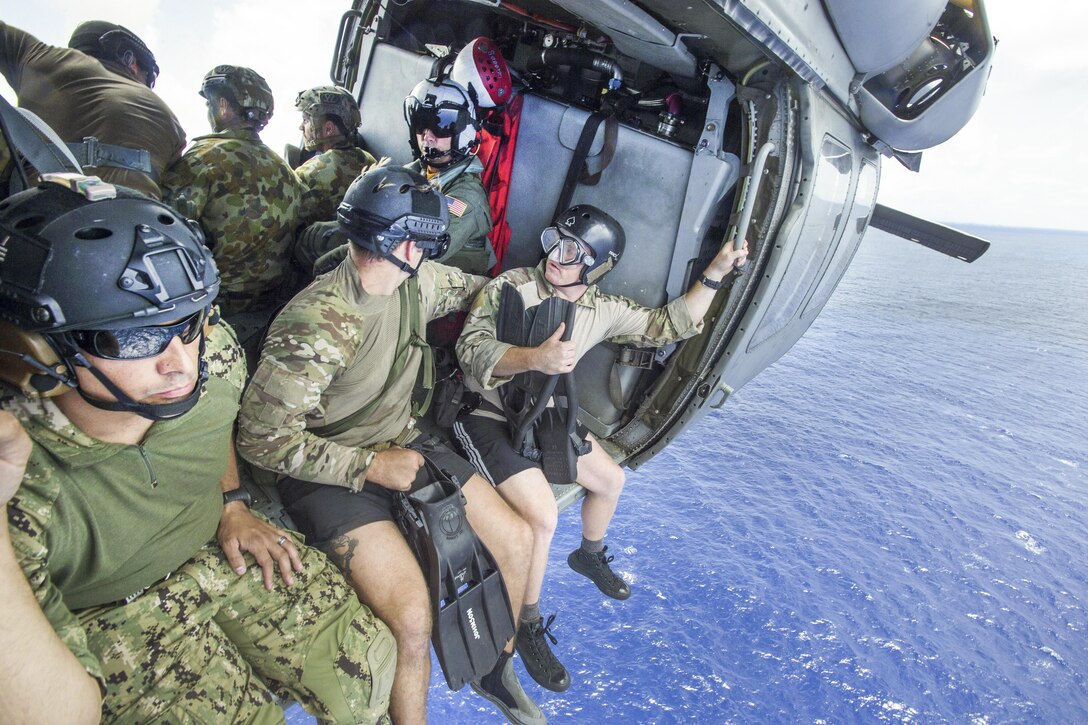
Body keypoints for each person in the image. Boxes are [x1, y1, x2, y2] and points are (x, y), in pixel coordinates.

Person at [0, 178, 395, 723]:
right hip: (103, 615)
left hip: (214, 546)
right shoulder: (17, 478)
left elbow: (217, 418)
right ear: (39, 351)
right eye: (133, 339)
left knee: (369, 670)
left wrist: (232, 502)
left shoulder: (215, 357)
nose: (179, 364)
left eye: (187, 324)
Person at [237, 166, 542, 725]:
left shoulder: (413, 285)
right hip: (328, 468)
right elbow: (262, 441)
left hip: (402, 438)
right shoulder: (318, 325)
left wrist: (545, 291)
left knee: (518, 541)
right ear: (405, 244)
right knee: (411, 619)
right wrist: (370, 467)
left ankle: (496, 671)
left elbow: (481, 290)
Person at [455, 204, 750, 692]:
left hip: (544, 415)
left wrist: (715, 275)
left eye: (571, 250)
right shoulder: (510, 288)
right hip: (487, 414)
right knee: (543, 518)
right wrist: (535, 358)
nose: (555, 255)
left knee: (611, 481)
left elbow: (667, 324)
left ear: (598, 265)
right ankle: (526, 624)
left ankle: (588, 555)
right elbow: (471, 352)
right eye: (554, 241)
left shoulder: (599, 309)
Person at [161, 64, 303, 333]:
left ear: (223, 106)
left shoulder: (202, 160)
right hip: (269, 309)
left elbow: (167, 234)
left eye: (210, 104)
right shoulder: (286, 170)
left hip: (214, 312)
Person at [0, 20, 185, 199]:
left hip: (37, 218)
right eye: (148, 77)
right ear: (131, 61)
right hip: (140, 224)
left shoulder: (46, 60)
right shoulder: (173, 123)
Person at [404, 77, 496, 275]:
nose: (427, 136)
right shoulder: (416, 171)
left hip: (451, 288)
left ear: (463, 133)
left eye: (441, 126)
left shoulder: (468, 198)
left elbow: (419, 251)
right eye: (421, 125)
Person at [292, 85, 380, 275]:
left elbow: (289, 225)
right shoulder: (368, 159)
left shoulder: (309, 172)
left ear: (329, 129)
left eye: (306, 120)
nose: (301, 127)